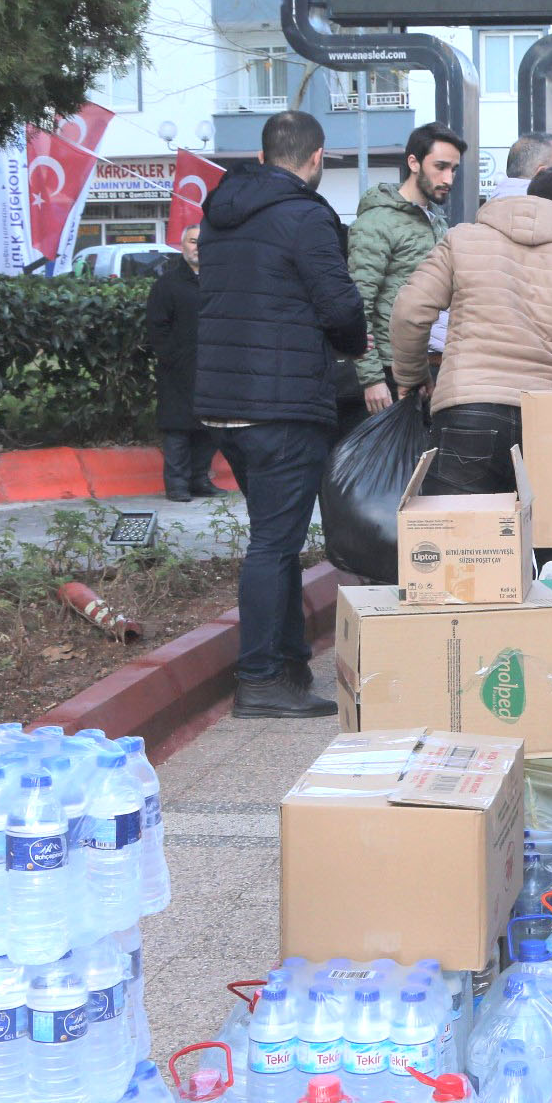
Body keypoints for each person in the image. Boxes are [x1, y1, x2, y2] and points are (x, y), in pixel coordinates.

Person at [195, 111, 366, 718]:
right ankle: (263, 677)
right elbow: (339, 303)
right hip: (282, 404)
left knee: (277, 535)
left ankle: (288, 667)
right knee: (274, 542)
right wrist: (354, 345)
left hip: (222, 404)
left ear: (265, 155)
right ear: (316, 157)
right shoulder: (305, 215)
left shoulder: (217, 216)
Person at [387, 164, 552, 495]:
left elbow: (408, 311)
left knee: (463, 538)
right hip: (551, 418)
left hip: (468, 408)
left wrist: (412, 377)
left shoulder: (461, 240)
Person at [349, 122, 464, 414]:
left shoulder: (436, 220)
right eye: (440, 166)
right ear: (413, 162)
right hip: (389, 373)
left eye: (453, 169)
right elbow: (357, 307)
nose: (448, 178)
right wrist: (372, 379)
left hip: (428, 368)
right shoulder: (376, 222)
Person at [144, 224, 219, 503]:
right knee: (178, 429)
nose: (197, 247)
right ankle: (177, 484)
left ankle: (199, 479)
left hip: (213, 368)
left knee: (210, 428)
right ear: (182, 245)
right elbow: (157, 328)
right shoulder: (167, 284)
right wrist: (171, 357)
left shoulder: (219, 281)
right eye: (192, 241)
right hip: (177, 370)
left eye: (202, 242)